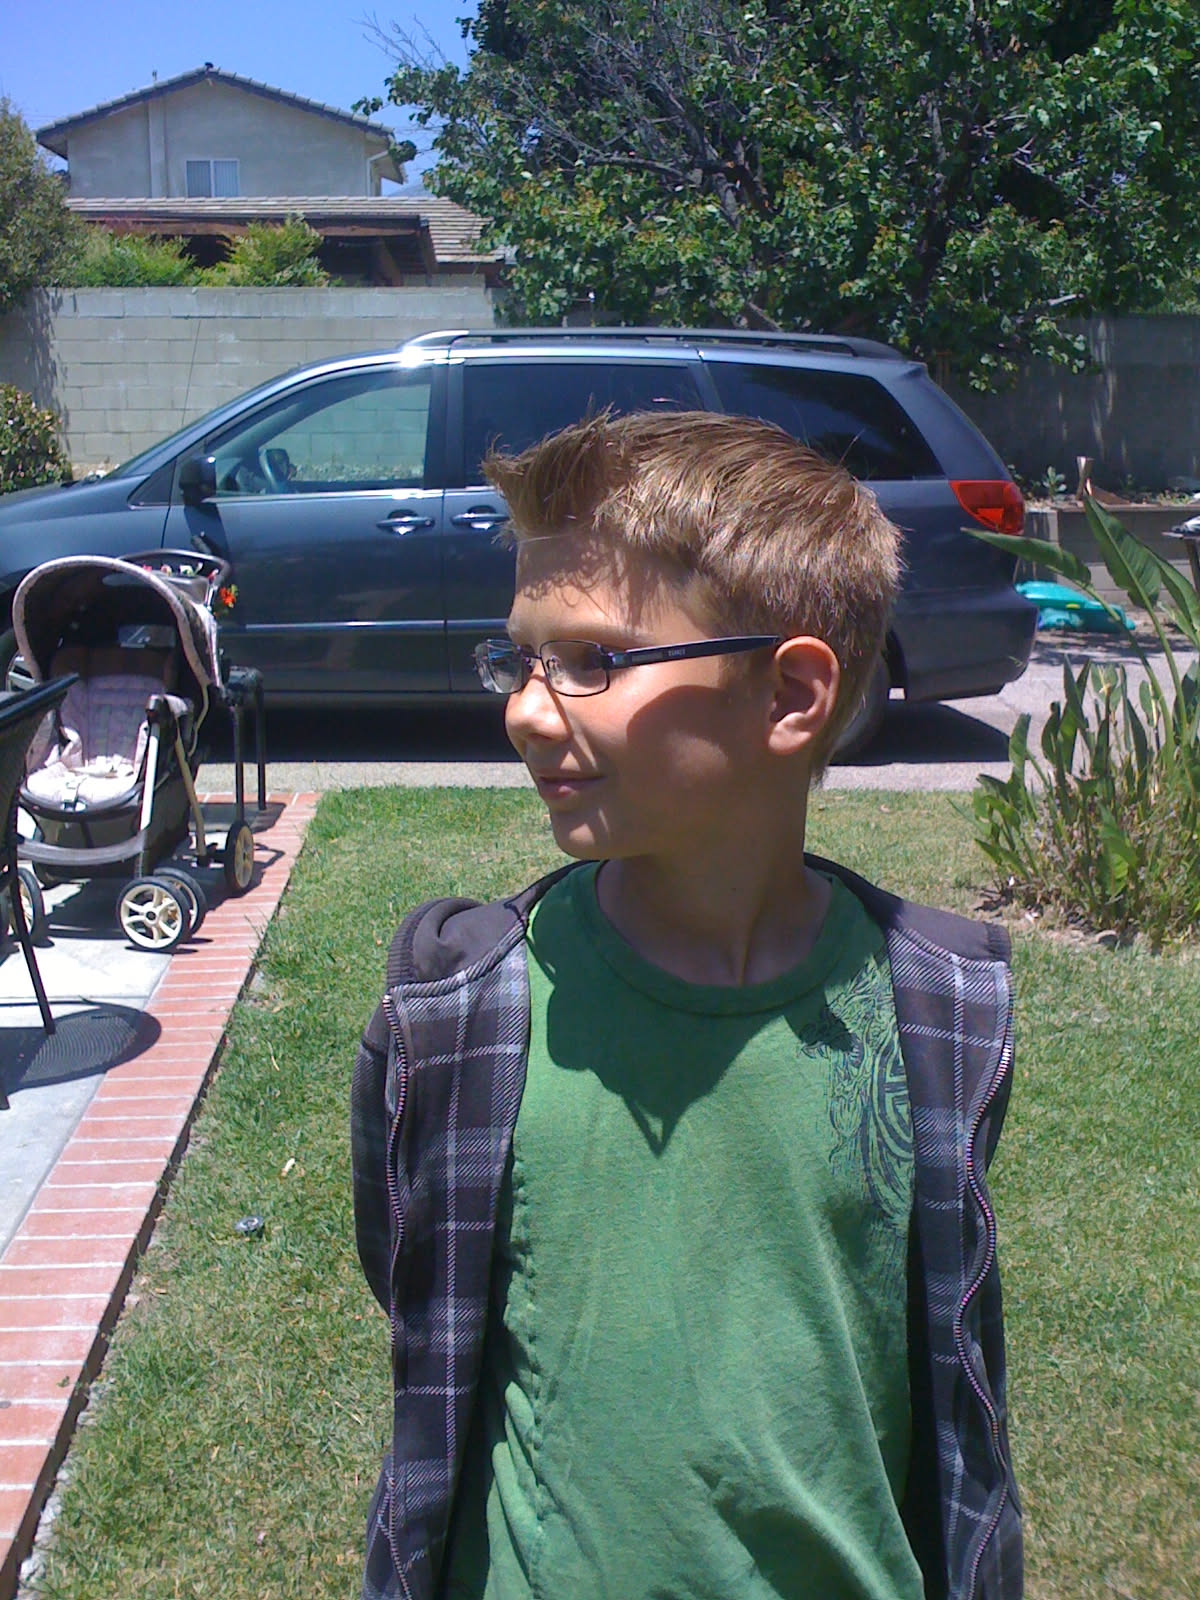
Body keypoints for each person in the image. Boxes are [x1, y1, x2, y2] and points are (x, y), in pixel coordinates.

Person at [351, 412, 1021, 1600]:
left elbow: (948, 1369)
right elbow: (423, 1298)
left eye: (592, 661)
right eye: (521, 658)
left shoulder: (941, 1011)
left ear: (791, 693)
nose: (525, 710)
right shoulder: (458, 1013)